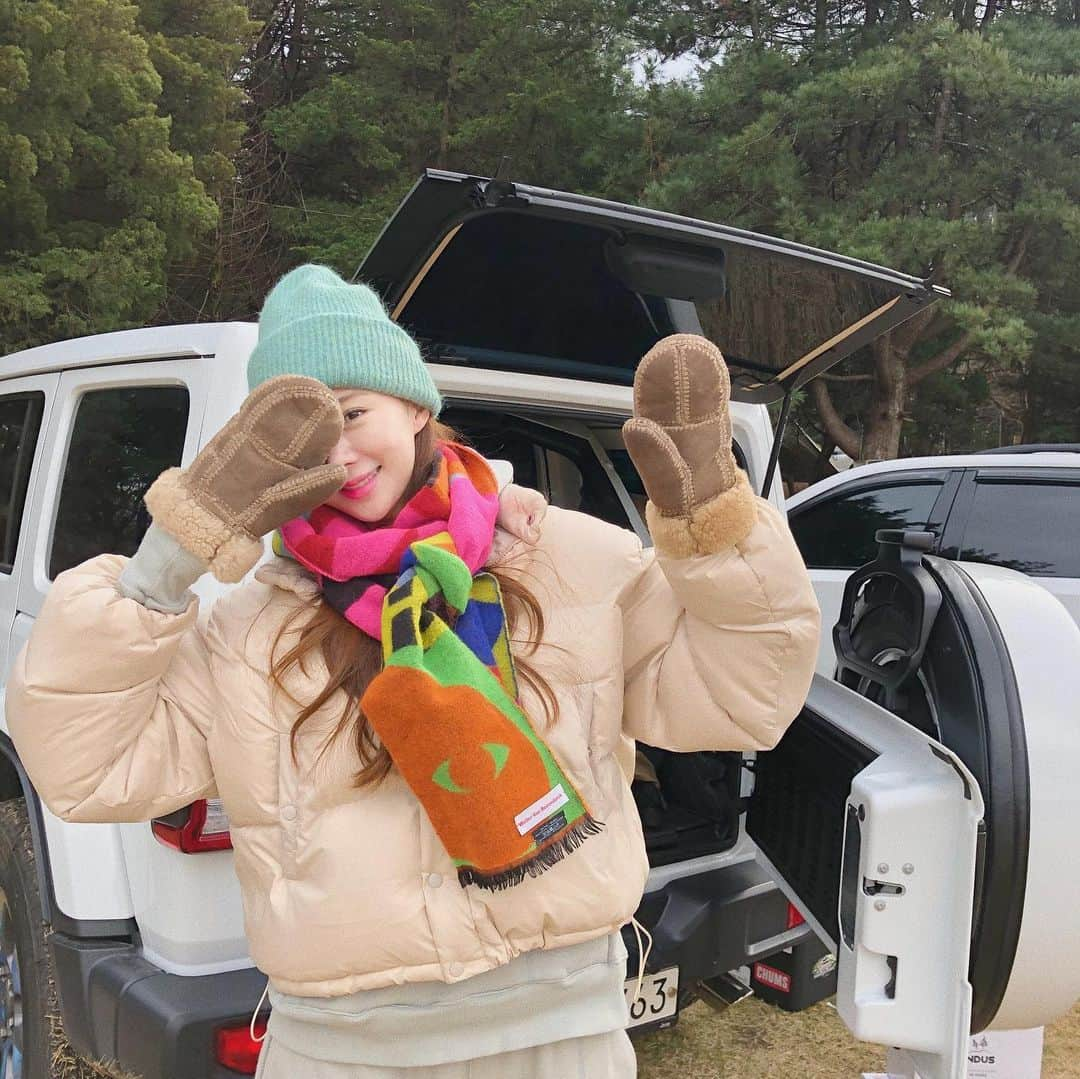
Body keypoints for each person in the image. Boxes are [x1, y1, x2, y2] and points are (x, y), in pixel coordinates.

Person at [7, 265, 820, 1078]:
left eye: (354, 413)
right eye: (304, 436)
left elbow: (738, 697)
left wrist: (715, 526)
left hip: (560, 1039)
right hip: (341, 1053)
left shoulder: (568, 560)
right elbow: (87, 767)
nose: (340, 453)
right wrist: (173, 552)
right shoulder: (247, 629)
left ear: (417, 404)